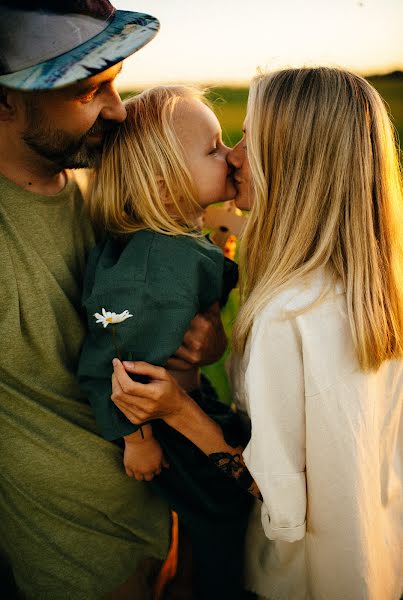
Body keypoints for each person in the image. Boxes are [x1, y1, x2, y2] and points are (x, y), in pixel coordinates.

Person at [109, 67, 403, 600]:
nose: (235, 157)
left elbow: (274, 494)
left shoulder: (286, 315)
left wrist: (177, 408)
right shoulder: (370, 287)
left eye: (249, 139)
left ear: (295, 164)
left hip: (298, 579)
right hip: (373, 559)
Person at [0, 2, 227, 598]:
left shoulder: (98, 195)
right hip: (77, 556)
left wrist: (200, 341)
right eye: (88, 90)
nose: (118, 110)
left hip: (162, 514)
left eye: (115, 83)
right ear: (5, 101)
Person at [77, 84, 252, 600]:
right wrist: (137, 438)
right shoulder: (151, 270)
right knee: (225, 508)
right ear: (164, 182)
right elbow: (110, 356)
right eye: (214, 149)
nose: (230, 156)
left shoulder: (177, 236)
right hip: (162, 428)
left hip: (186, 407)